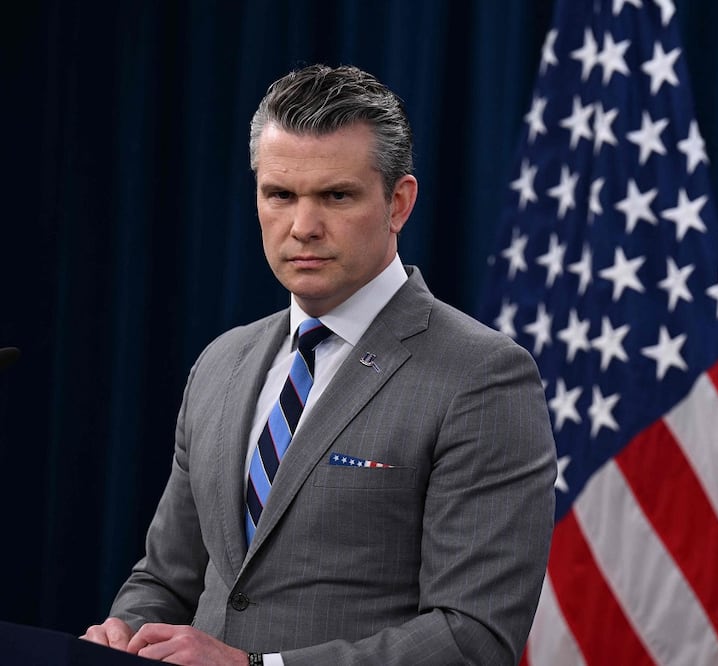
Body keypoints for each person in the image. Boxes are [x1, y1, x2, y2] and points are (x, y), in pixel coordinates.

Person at [81, 63, 556, 665]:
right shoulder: (220, 363)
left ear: (398, 203)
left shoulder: (483, 377)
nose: (303, 227)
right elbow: (166, 578)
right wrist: (123, 636)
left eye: (337, 196)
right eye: (280, 195)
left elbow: (472, 638)